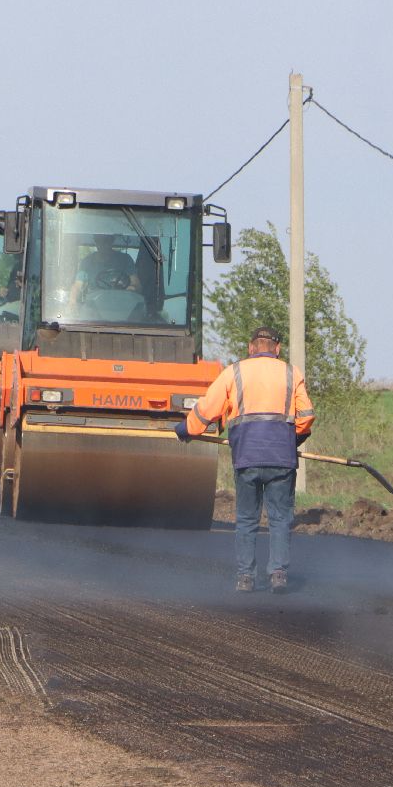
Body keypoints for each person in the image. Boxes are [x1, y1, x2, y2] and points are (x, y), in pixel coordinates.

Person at [174, 326, 315, 594]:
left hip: (247, 458)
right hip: (281, 459)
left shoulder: (234, 372)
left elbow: (208, 408)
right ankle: (278, 574)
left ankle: (245, 578)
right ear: (277, 349)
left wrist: (187, 429)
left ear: (251, 347)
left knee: (247, 519)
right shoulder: (291, 373)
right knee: (280, 519)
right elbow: (306, 415)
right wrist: (292, 439)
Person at [72, 233, 139, 306]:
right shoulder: (87, 261)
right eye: (99, 240)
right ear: (95, 241)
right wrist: (72, 303)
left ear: (112, 241)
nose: (103, 244)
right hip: (93, 307)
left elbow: (136, 284)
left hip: (121, 305)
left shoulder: (125, 259)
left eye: (107, 240)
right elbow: (77, 286)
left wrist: (129, 290)